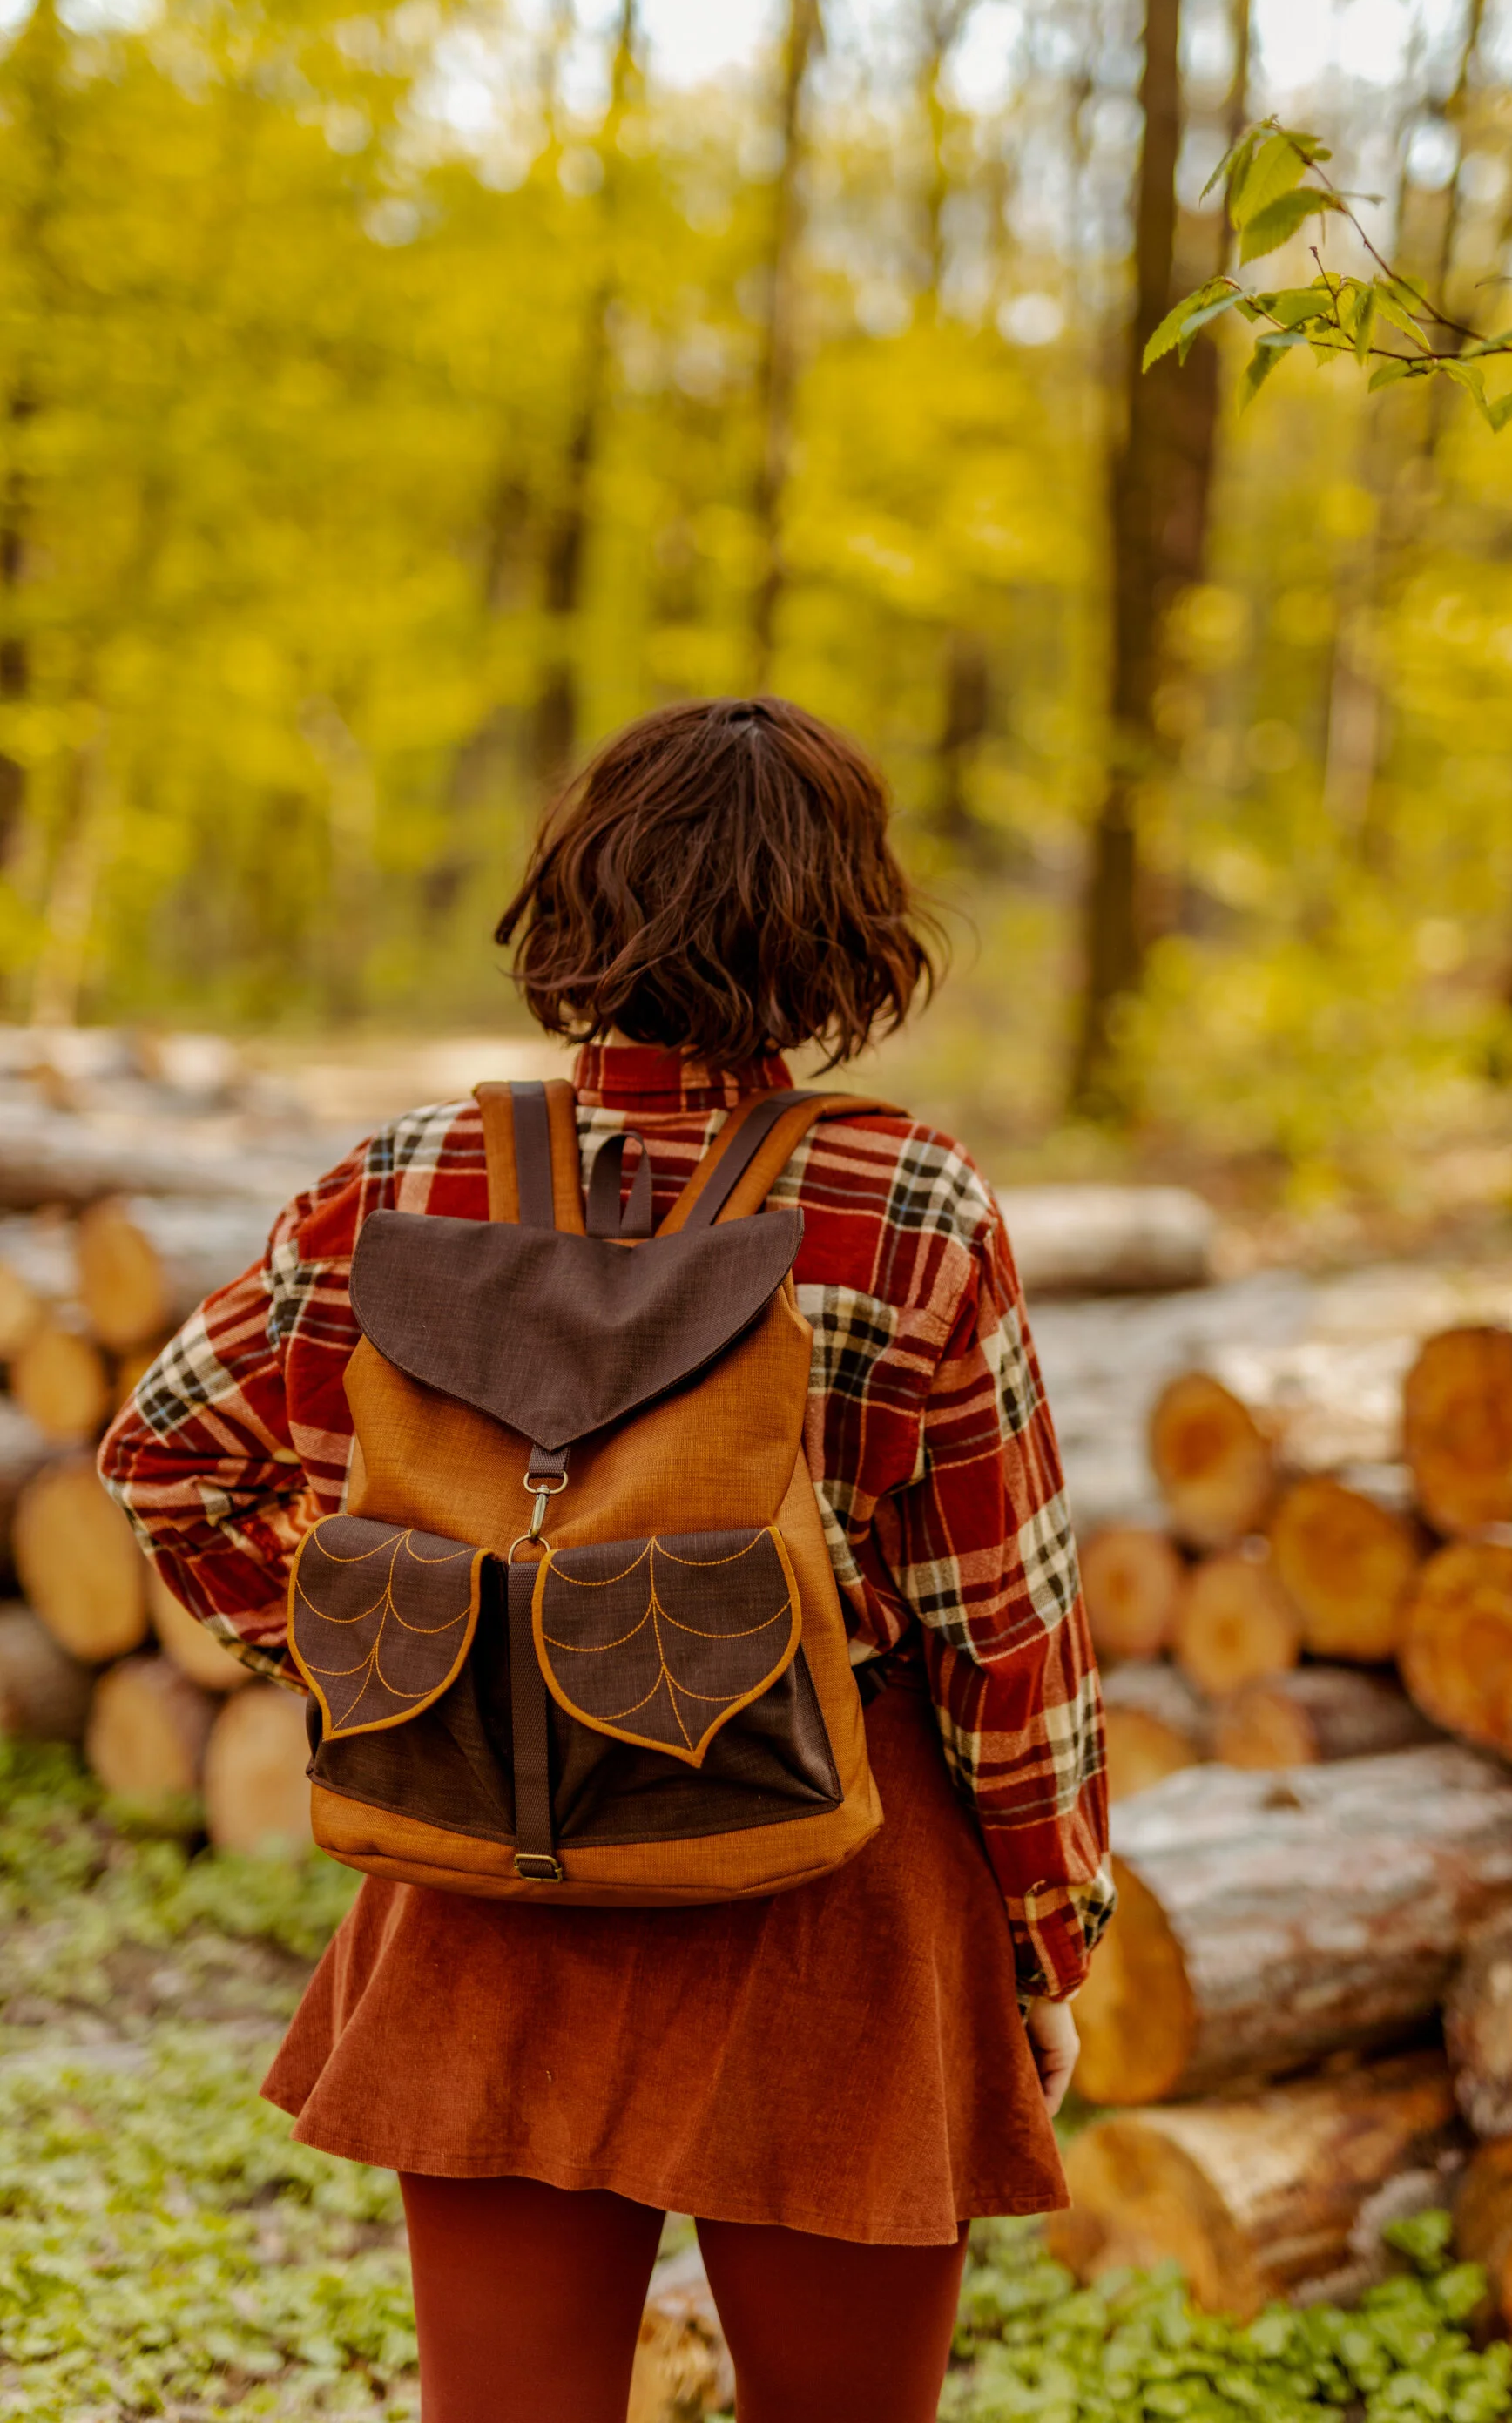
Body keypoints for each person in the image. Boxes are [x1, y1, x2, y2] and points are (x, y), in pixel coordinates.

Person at [99, 694, 1111, 2423]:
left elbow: (167, 1458)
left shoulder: (407, 1182)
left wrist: (391, 1655)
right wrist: (1045, 1942)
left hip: (490, 1875)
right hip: (833, 1895)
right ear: (846, 938)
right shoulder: (909, 1207)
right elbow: (998, 1634)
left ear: (575, 901)